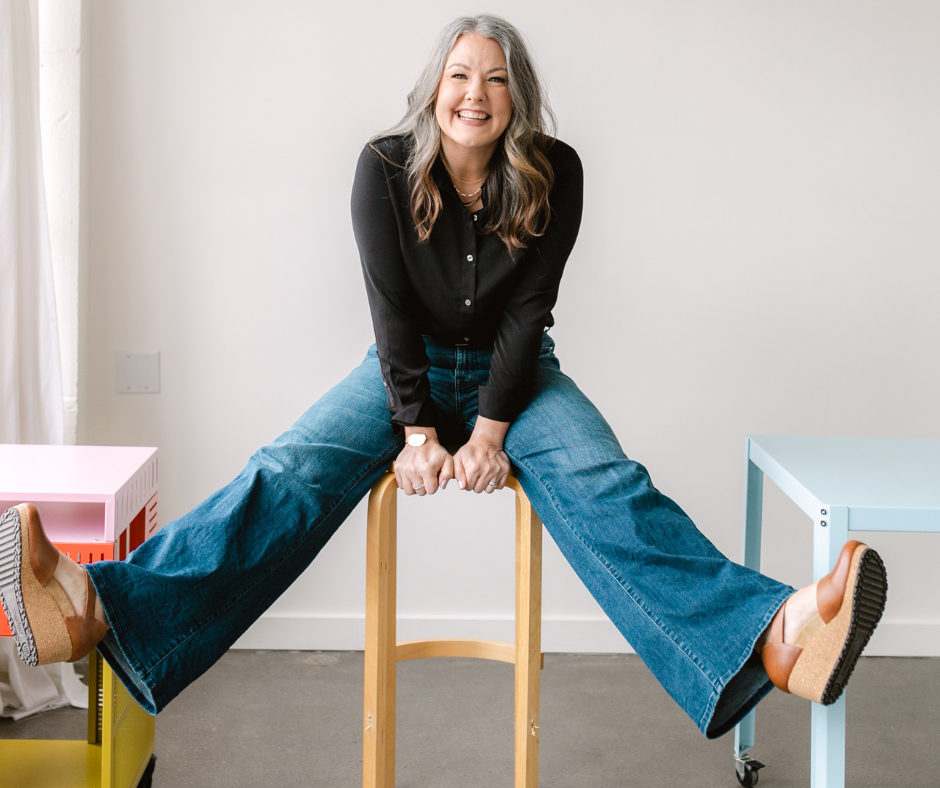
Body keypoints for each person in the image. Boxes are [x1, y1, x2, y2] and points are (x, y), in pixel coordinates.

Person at [0, 14, 887, 740]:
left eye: (497, 78)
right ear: (434, 89)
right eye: (461, 74)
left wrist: (492, 429)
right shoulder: (383, 168)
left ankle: (773, 637)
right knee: (288, 470)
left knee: (607, 481)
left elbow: (527, 311)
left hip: (518, 373)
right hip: (406, 372)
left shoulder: (557, 172)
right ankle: (92, 608)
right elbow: (390, 314)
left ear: (519, 98)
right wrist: (419, 430)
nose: (477, 94)